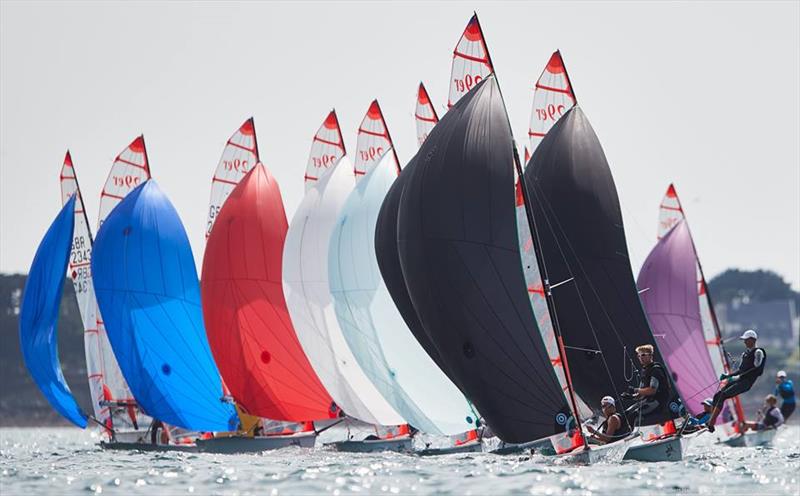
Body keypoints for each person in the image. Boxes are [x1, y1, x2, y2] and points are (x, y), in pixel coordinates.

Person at [706, 329, 766, 432]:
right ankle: (709, 419)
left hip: (746, 383)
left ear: (752, 340)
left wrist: (738, 375)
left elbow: (757, 367)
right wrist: (728, 376)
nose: (744, 342)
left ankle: (711, 423)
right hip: (740, 379)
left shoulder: (758, 352)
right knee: (717, 395)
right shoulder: (745, 354)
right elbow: (740, 370)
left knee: (723, 395)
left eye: (746, 340)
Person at [622, 344, 672, 421]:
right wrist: (631, 396)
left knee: (633, 416)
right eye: (639, 356)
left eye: (643, 355)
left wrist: (635, 390)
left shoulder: (656, 370)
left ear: (651, 356)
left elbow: (652, 390)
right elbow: (641, 393)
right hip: (648, 400)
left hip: (658, 402)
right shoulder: (645, 370)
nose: (640, 357)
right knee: (625, 413)